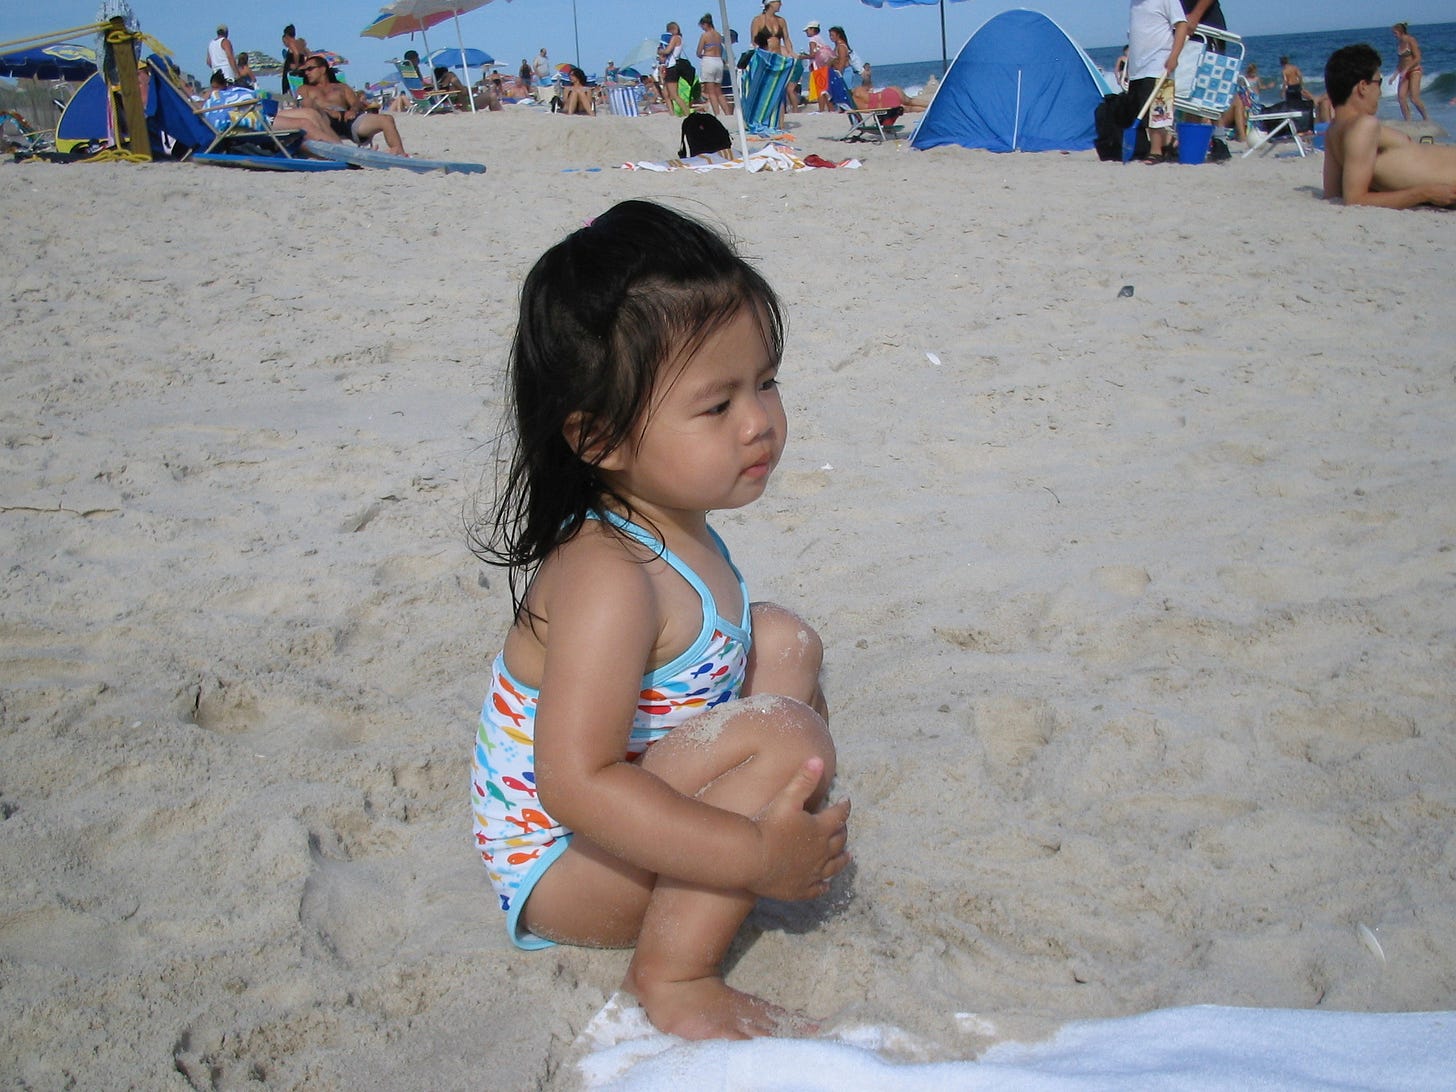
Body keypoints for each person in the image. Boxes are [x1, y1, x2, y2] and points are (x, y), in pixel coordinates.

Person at [468, 199, 850, 1040]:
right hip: (566, 866)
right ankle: (675, 974)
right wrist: (753, 855)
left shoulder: (673, 524)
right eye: (717, 407)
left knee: (783, 640)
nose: (759, 422)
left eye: (766, 382)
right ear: (600, 439)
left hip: (623, 817)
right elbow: (576, 784)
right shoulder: (607, 577)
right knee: (785, 731)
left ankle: (740, 853)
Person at [1323, 43, 1456, 209]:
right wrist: (1425, 193)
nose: (1379, 92)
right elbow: (1354, 199)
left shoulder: (1333, 131)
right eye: (1379, 82)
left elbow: (1332, 194)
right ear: (1363, 87)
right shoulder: (1364, 126)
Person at [281, 54, 408, 156]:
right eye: (304, 70)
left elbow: (355, 103)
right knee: (308, 102)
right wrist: (328, 111)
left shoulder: (341, 87)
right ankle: (340, 149)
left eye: (310, 69)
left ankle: (399, 152)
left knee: (386, 119)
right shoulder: (305, 89)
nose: (306, 73)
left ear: (323, 69)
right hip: (322, 120)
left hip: (347, 120)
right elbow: (304, 106)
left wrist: (353, 110)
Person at [1127, 0, 1191, 163]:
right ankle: (1165, 145)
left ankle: (1156, 150)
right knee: (1142, 108)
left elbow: (1182, 25)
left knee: (1157, 107)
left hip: (1159, 61)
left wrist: (1174, 56)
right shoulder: (1135, 4)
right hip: (1137, 65)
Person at [752, 1, 801, 111]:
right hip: (765, 58)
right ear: (770, 3)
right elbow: (754, 41)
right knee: (766, 89)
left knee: (779, 90)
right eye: (778, 2)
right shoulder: (758, 20)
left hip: (779, 58)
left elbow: (786, 39)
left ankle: (780, 118)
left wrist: (791, 53)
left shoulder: (781, 21)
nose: (780, 4)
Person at [1392, 23, 1429, 123]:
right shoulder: (1400, 43)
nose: (1394, 35)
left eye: (1395, 33)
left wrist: (1406, 69)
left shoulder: (1411, 40)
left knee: (1414, 98)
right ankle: (1408, 121)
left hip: (1414, 71)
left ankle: (1426, 119)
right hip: (1404, 72)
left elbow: (1417, 58)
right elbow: (1401, 62)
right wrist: (1394, 75)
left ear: (1401, 32)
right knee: (1401, 97)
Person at [697, 14, 730, 116]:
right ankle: (727, 113)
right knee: (718, 91)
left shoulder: (705, 35)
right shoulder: (718, 35)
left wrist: (701, 55)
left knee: (711, 92)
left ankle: (717, 114)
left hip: (709, 60)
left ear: (705, 24)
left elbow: (698, 52)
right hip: (718, 61)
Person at [821, 26, 852, 110]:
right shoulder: (837, 46)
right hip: (838, 72)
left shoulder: (841, 47)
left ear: (838, 35)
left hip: (844, 72)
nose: (830, 37)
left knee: (844, 92)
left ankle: (847, 108)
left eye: (832, 35)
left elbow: (842, 62)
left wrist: (838, 75)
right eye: (830, 35)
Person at [802, 21, 831, 111]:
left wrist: (802, 57)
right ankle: (830, 108)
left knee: (820, 88)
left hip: (816, 66)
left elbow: (813, 55)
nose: (806, 32)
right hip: (823, 65)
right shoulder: (820, 39)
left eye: (807, 30)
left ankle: (821, 109)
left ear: (812, 29)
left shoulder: (812, 40)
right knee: (824, 88)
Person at [281, 24, 308, 98]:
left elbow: (296, 53)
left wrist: (296, 65)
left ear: (287, 35)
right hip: (300, 71)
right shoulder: (300, 43)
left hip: (291, 70)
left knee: (289, 89)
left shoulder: (291, 43)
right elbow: (308, 54)